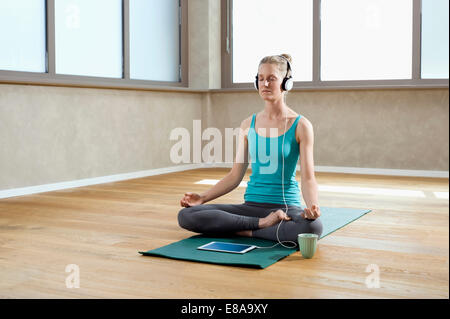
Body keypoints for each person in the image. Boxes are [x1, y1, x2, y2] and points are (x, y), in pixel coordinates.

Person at [178, 54, 322, 246]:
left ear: (286, 83)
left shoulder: (301, 125)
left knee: (313, 227)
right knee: (186, 215)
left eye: (271, 78)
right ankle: (262, 225)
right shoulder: (248, 124)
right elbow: (235, 176)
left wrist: (313, 207)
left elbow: (308, 177)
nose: (265, 84)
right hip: (251, 208)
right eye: (260, 78)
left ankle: (238, 230)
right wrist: (202, 197)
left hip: (285, 208)